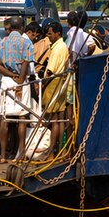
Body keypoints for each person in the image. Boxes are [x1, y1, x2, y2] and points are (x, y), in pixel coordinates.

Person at [0, 16, 34, 161]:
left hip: (6, 81)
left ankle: (3, 154)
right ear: (22, 28)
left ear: (10, 27)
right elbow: (25, 62)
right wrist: (20, 81)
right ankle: (21, 152)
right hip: (21, 81)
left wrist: (10, 75)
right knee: (22, 117)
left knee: (4, 117)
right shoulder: (27, 42)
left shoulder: (2, 43)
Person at [40, 20, 70, 158]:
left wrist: (43, 85)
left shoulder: (58, 47)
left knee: (52, 120)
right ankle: (59, 150)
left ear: (58, 33)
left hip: (53, 83)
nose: (48, 36)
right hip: (60, 82)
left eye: (50, 34)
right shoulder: (61, 46)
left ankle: (51, 151)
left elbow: (50, 71)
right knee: (58, 118)